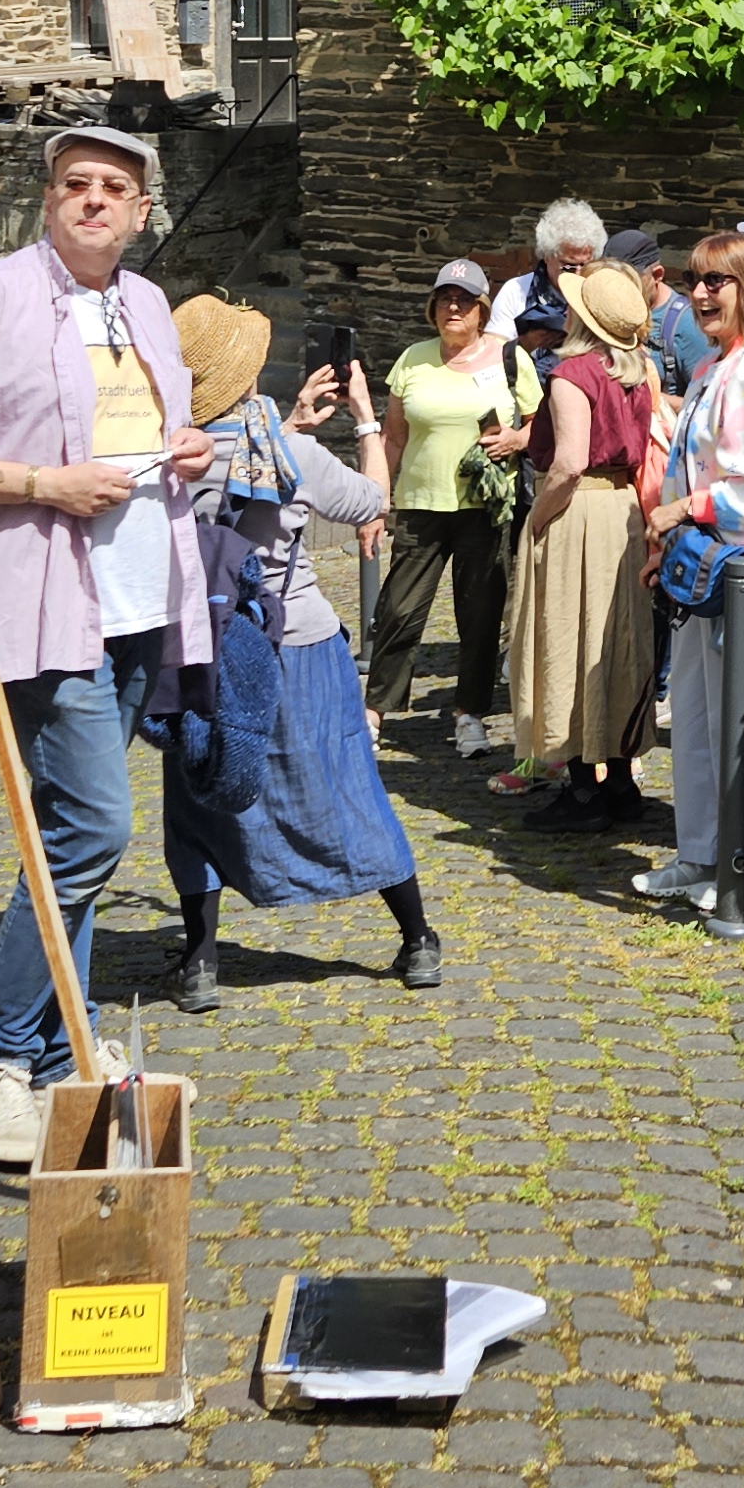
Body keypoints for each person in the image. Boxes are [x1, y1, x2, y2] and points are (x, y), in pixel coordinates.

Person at [0, 122, 217, 1167]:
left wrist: (190, 448)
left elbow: (153, 439)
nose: (93, 199)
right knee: (93, 826)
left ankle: (61, 1048)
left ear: (142, 212)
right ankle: (0, 1057)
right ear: (48, 199)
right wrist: (42, 484)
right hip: (43, 603)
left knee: (67, 839)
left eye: (113, 188)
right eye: (74, 183)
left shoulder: (147, 307)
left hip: (139, 600)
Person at [155, 298, 435, 1008]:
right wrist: (365, 418)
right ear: (248, 377)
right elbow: (371, 500)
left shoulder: (166, 462)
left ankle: (200, 963)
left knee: (199, 800)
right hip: (298, 642)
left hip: (205, 647)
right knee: (347, 784)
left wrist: (295, 421)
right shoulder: (290, 454)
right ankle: (417, 940)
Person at [637, 229, 744, 910]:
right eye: (695, 280)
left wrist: (682, 510)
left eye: (718, 280)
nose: (702, 293)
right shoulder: (717, 365)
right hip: (704, 569)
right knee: (695, 716)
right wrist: (667, 544)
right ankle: (702, 853)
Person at [507, 256, 661, 829]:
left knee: (570, 637)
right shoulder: (640, 370)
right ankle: (619, 782)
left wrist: (538, 519)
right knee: (614, 639)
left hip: (580, 510)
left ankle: (582, 791)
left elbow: (569, 463)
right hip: (624, 509)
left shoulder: (572, 375)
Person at [365, 257, 539, 759]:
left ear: (482, 309)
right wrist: (375, 501)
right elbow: (393, 438)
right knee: (398, 609)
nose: (453, 308)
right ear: (433, 307)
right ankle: (373, 712)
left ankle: (470, 714)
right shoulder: (412, 359)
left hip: (485, 507)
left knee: (480, 616)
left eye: (464, 300)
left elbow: (540, 426)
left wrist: (515, 440)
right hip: (421, 505)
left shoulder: (510, 359)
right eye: (445, 299)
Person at [489, 197, 605, 369]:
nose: (578, 274)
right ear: (546, 255)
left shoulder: (602, 294)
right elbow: (490, 356)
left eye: (585, 265)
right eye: (569, 266)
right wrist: (526, 343)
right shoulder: (516, 291)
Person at [605, 222, 709, 396]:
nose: (619, 289)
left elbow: (704, 403)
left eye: (630, 281)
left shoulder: (687, 325)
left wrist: (647, 398)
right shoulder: (605, 309)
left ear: (657, 275)